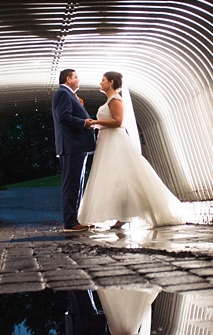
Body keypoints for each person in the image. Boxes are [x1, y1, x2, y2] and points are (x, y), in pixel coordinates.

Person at [77, 71, 185, 228]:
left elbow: (118, 121)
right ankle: (122, 215)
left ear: (111, 82)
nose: (101, 83)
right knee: (115, 178)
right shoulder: (110, 100)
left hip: (115, 141)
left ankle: (128, 214)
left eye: (103, 80)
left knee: (122, 176)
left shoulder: (115, 99)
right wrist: (96, 123)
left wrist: (95, 121)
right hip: (107, 140)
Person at [51, 68, 97, 232]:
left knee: (77, 184)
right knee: (72, 185)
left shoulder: (68, 94)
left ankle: (75, 219)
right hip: (72, 145)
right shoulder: (63, 93)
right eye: (76, 77)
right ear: (68, 79)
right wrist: (84, 123)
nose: (78, 80)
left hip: (77, 146)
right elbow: (64, 117)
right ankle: (70, 222)